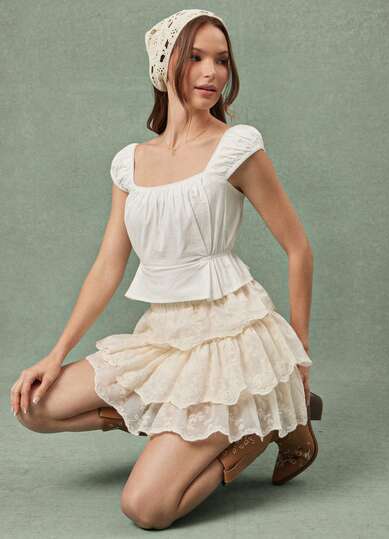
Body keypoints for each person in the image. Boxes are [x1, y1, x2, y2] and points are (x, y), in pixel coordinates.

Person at [10, 8, 322, 531]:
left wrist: (299, 355)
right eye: (195, 57)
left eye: (222, 60)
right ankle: (181, 420)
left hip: (230, 338)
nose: (211, 72)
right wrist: (55, 353)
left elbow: (299, 249)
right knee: (34, 407)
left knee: (147, 508)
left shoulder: (237, 145)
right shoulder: (130, 162)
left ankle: (260, 427)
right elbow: (108, 265)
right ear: (164, 66)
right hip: (164, 337)